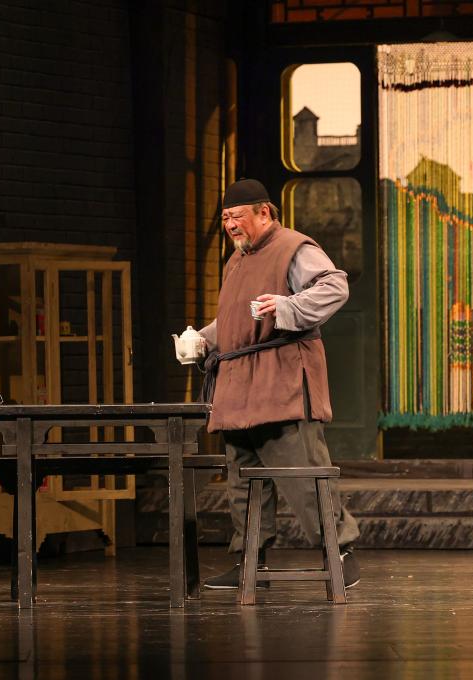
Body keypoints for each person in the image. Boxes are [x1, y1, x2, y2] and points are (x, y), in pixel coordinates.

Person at [195, 178, 361, 590]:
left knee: (303, 472)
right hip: (238, 388)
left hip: (280, 379)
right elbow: (236, 320)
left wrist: (290, 306)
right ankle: (252, 561)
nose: (230, 226)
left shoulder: (292, 247)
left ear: (264, 212)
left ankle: (341, 554)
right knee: (243, 479)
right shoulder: (237, 260)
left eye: (237, 217)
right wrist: (203, 339)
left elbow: (334, 286)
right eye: (225, 219)